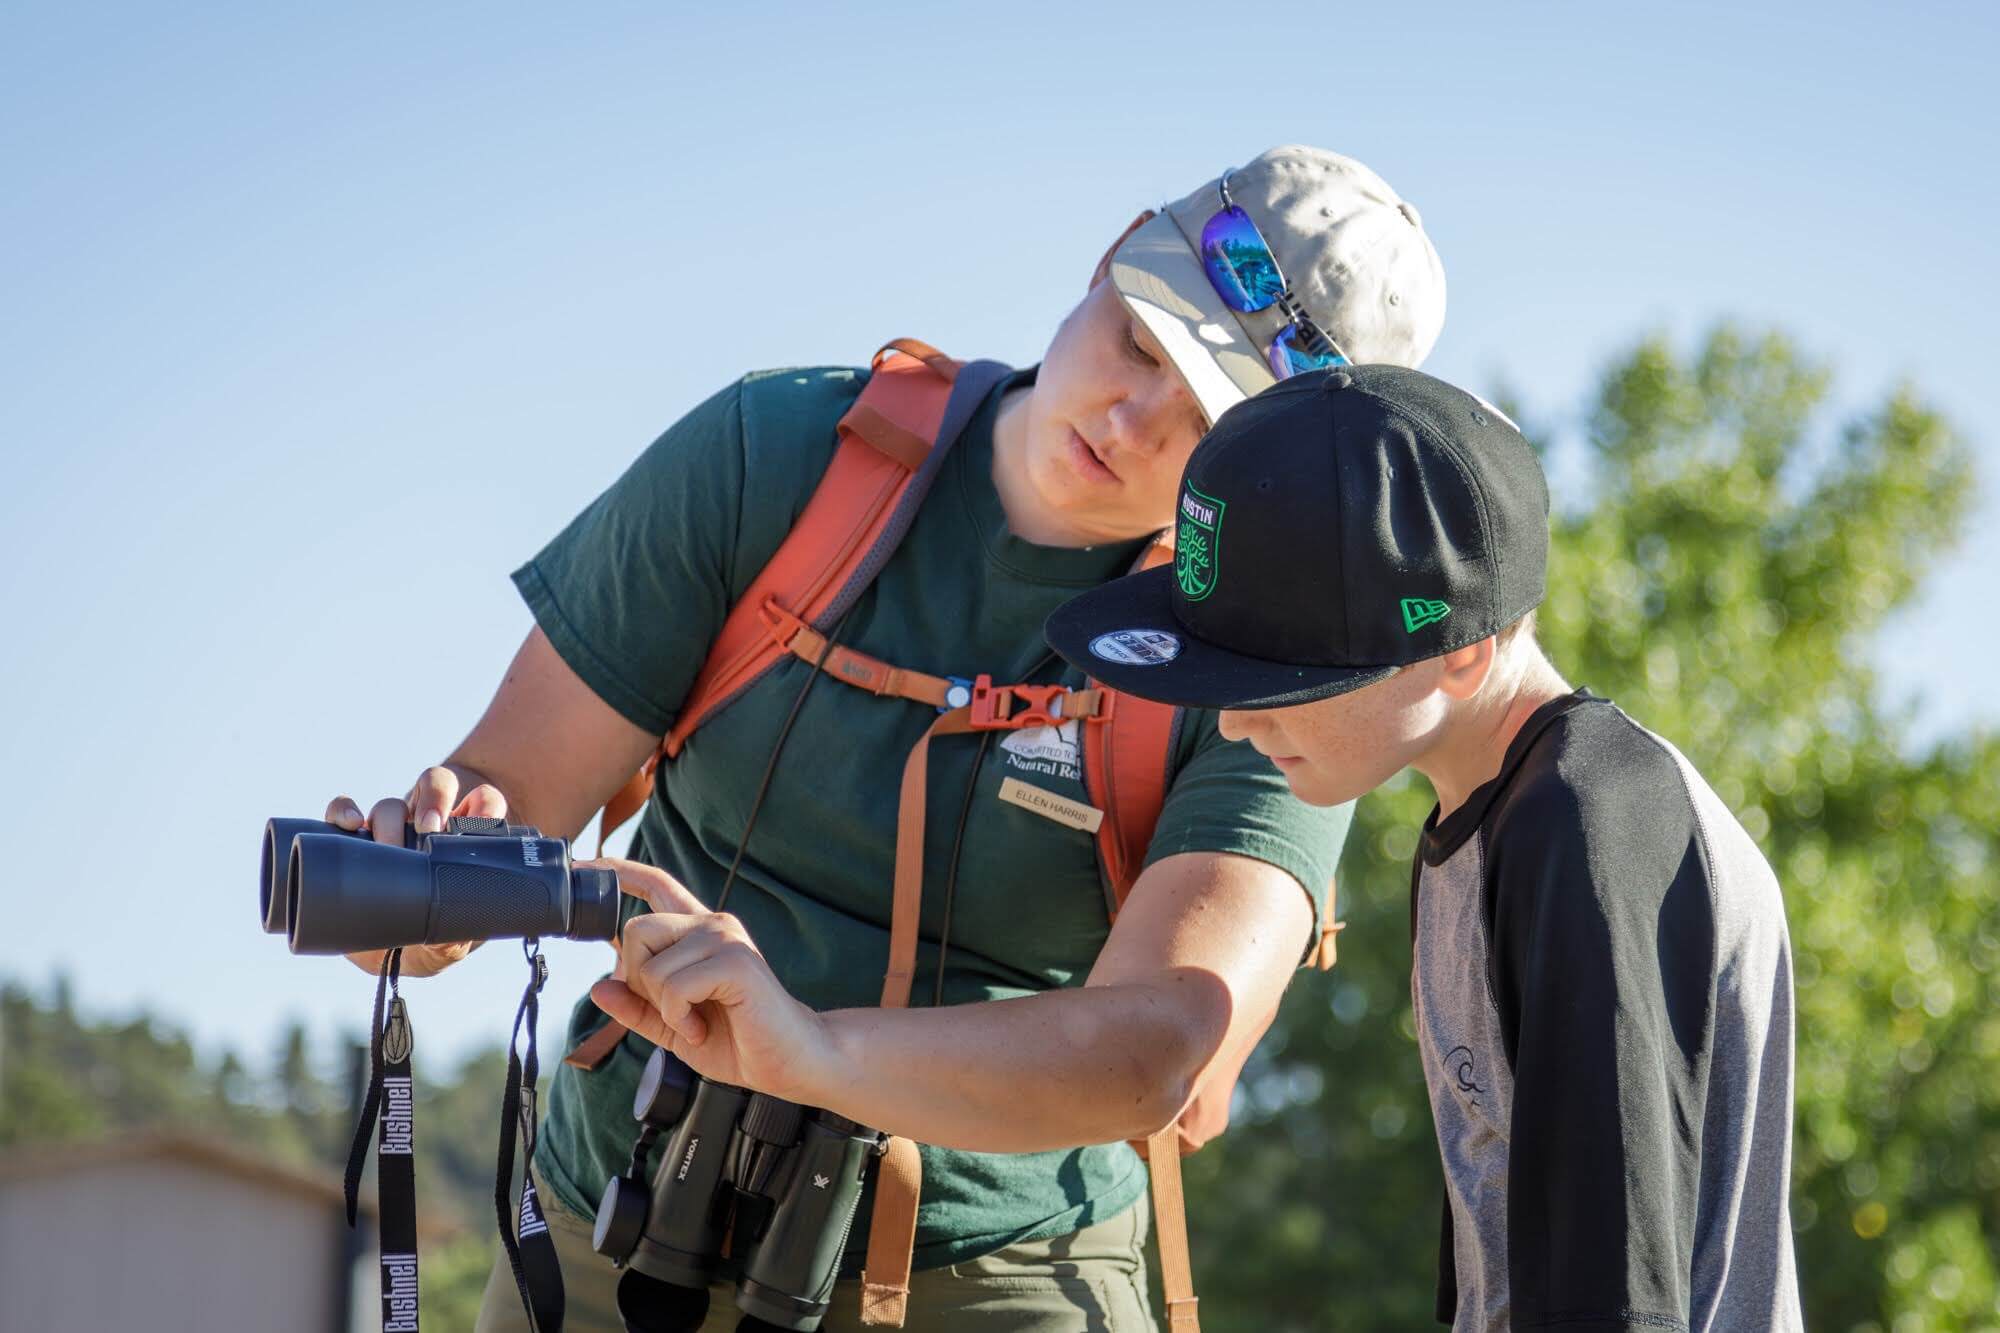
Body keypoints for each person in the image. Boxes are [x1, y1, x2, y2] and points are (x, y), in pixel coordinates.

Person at [321, 146, 1448, 1332]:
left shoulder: (1275, 662)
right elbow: (516, 794)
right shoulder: (776, 456)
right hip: (617, 1223)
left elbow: (1164, 1042)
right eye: (1136, 340)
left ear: (1290, 469)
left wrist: (806, 1050)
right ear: (1113, 251)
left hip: (998, 1271)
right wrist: (427, 886)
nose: (1130, 418)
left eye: (1206, 420)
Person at [1045, 365, 1803, 1331]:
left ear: (1459, 648)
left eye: (1282, 675)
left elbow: (1614, 1292)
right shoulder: (1486, 820)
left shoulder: (1586, 823)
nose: (1234, 721)